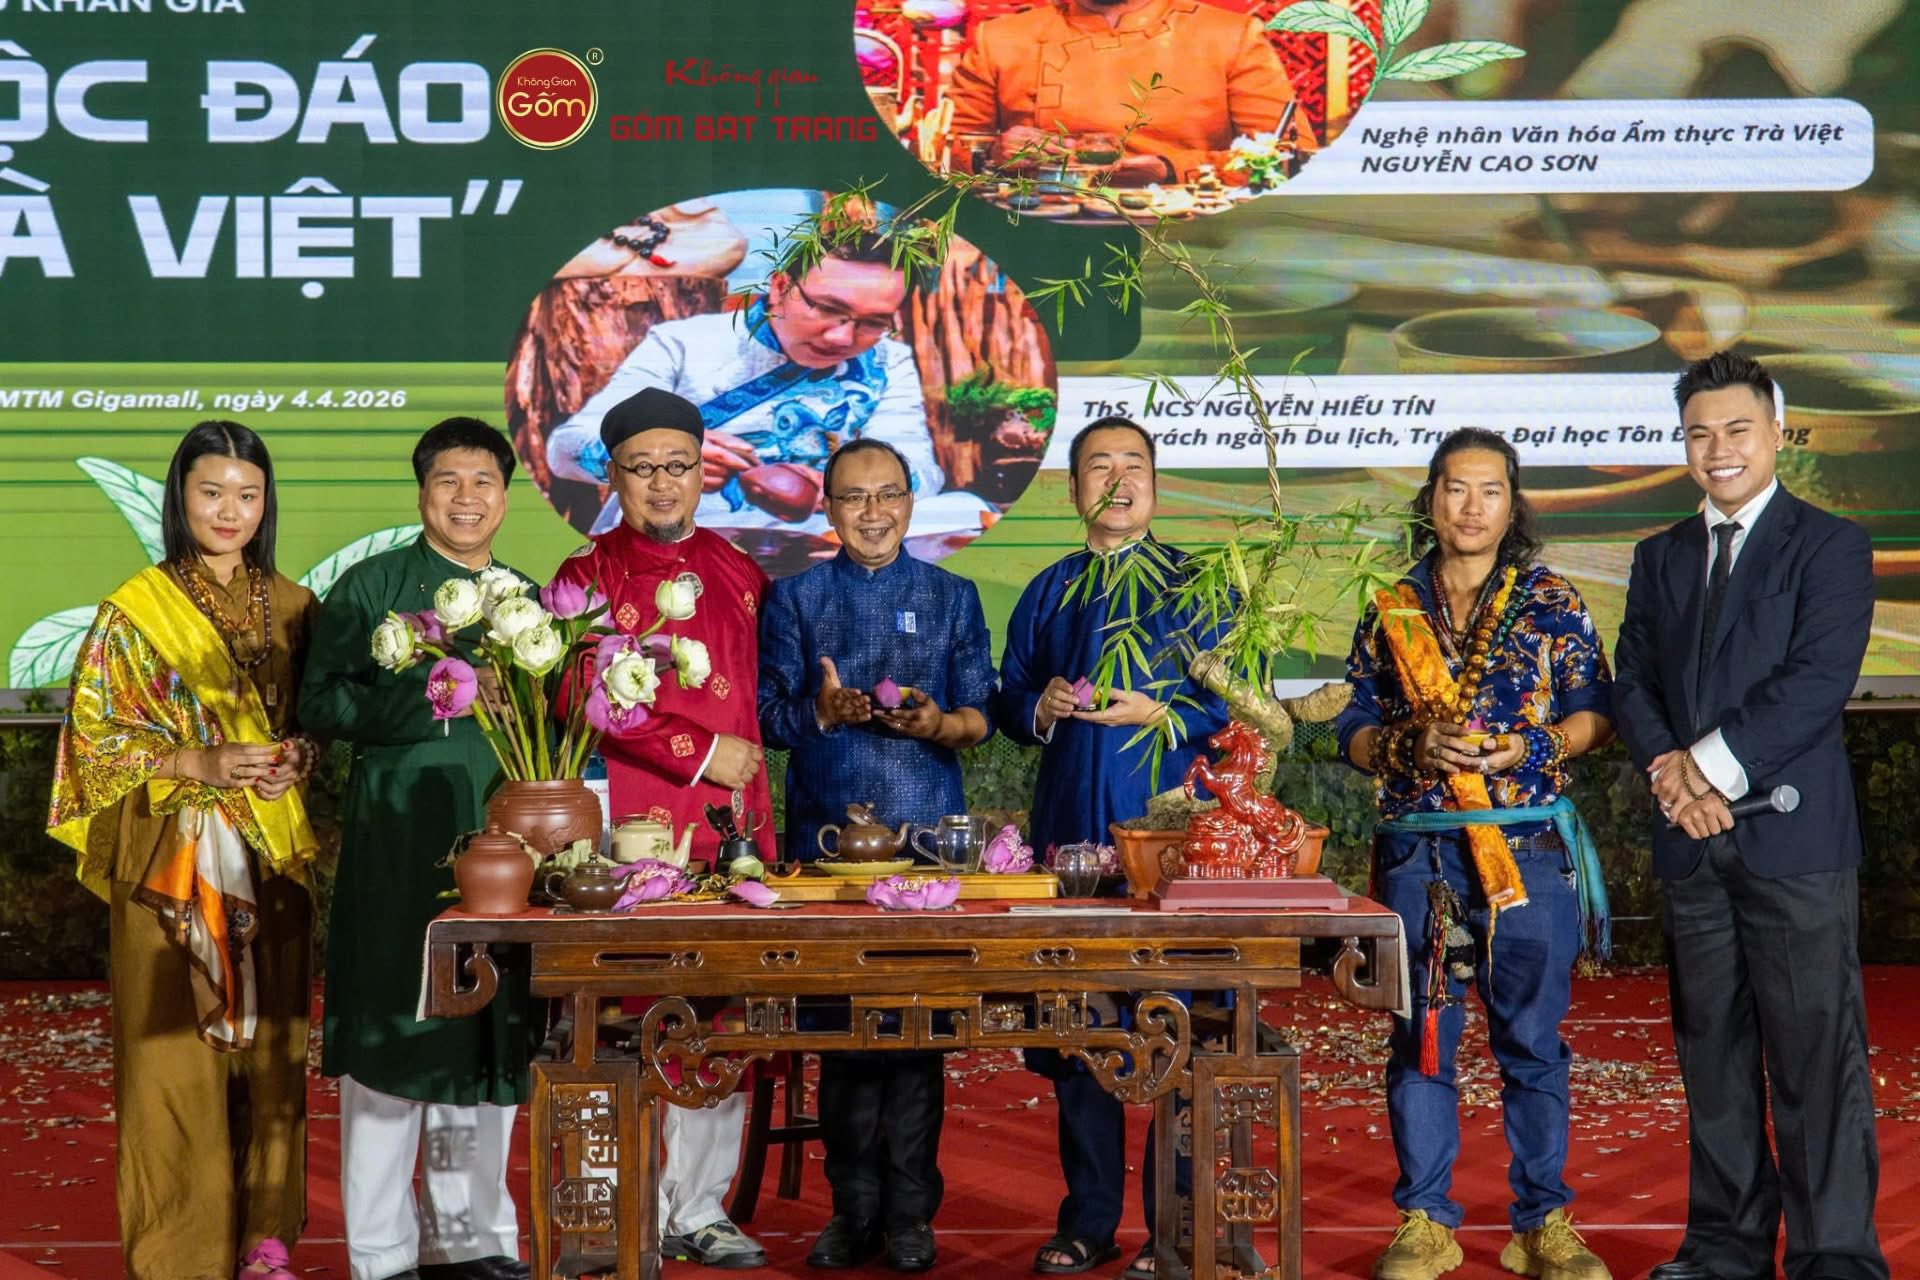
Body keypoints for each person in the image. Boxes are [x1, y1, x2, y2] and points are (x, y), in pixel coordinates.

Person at [1611, 353, 1889, 1280]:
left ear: (1777, 432)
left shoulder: (1831, 544)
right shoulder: (1657, 556)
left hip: (1793, 843)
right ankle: (1724, 1247)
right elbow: (1633, 681)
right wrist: (1670, 774)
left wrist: (1704, 770)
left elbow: (1816, 682)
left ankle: (1833, 1254)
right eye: (1699, 433)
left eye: (1737, 430)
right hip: (1691, 846)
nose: (1718, 449)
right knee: (1713, 1056)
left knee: (1815, 1056)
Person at [1334, 428, 1615, 1280]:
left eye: (1491, 490)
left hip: (1526, 850)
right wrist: (1406, 747)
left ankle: (1544, 1223)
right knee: (1421, 1037)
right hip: (1421, 858)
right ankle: (1424, 1221)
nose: (1471, 506)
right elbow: (1351, 727)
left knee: (1532, 1040)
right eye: (1456, 488)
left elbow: (1596, 714)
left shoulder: (1552, 600)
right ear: (1430, 498)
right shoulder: (1390, 606)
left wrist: (1529, 749)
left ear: (1512, 504)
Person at [48, 420, 321, 1280]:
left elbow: (313, 726)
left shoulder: (296, 606)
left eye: (248, 494)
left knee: (273, 1049)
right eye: (211, 492)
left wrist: (297, 759)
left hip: (270, 858)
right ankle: (178, 1255)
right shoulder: (134, 612)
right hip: (169, 863)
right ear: (180, 498)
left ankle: (266, 1241)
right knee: (173, 1057)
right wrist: (193, 762)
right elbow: (91, 745)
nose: (230, 511)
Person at [545, 385, 774, 1270]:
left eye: (679, 465)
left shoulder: (739, 570)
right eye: (642, 468)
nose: (663, 483)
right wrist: (699, 750)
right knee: (620, 1016)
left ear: (703, 470)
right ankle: (615, 1205)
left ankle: (700, 1209)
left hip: (732, 829)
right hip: (629, 826)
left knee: (721, 1014)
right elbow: (575, 692)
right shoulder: (584, 575)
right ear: (613, 476)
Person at [298, 418, 533, 1280]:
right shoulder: (374, 585)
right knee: (394, 1036)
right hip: (399, 847)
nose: (466, 498)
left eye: (483, 482)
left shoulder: (525, 599)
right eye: (448, 481)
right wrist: (437, 696)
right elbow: (319, 702)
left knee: (486, 1034)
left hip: (503, 849)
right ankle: (383, 1252)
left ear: (505, 495)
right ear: (422, 492)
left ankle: (472, 1239)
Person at [993, 417, 1227, 1279]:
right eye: (1100, 466)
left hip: (1170, 839)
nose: (1118, 480)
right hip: (1071, 843)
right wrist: (1040, 707)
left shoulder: (1198, 585)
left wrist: (1160, 712)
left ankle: (1175, 1226)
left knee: (1177, 1025)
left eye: (1134, 465)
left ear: (1155, 485)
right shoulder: (1050, 589)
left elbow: (1237, 704)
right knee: (1079, 1026)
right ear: (1073, 489)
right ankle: (1089, 1220)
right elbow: (1009, 698)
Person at [757, 438, 997, 1273]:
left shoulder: (952, 596)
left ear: (910, 501)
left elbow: (981, 715)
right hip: (827, 850)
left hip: (927, 848)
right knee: (844, 1038)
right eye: (854, 497)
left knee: (917, 1036)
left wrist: (938, 724)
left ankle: (909, 1217)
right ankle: (851, 1211)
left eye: (887, 494)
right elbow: (768, 720)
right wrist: (822, 712)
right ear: (827, 508)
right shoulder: (794, 598)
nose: (872, 512)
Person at [545, 230, 988, 540]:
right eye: (826, 308)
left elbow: (920, 469)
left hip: (824, 531)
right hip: (691, 529)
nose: (842, 338)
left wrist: (849, 486)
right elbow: (565, 449)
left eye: (872, 322)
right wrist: (663, 457)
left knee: (965, 508)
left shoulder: (887, 360)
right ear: (779, 287)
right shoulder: (684, 343)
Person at [946, 0, 1316, 186]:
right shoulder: (1003, 39)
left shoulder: (1228, 36)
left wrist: (1172, 169)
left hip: (1185, 236)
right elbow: (953, 155)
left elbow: (1291, 160)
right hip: (1041, 231)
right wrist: (994, 157)